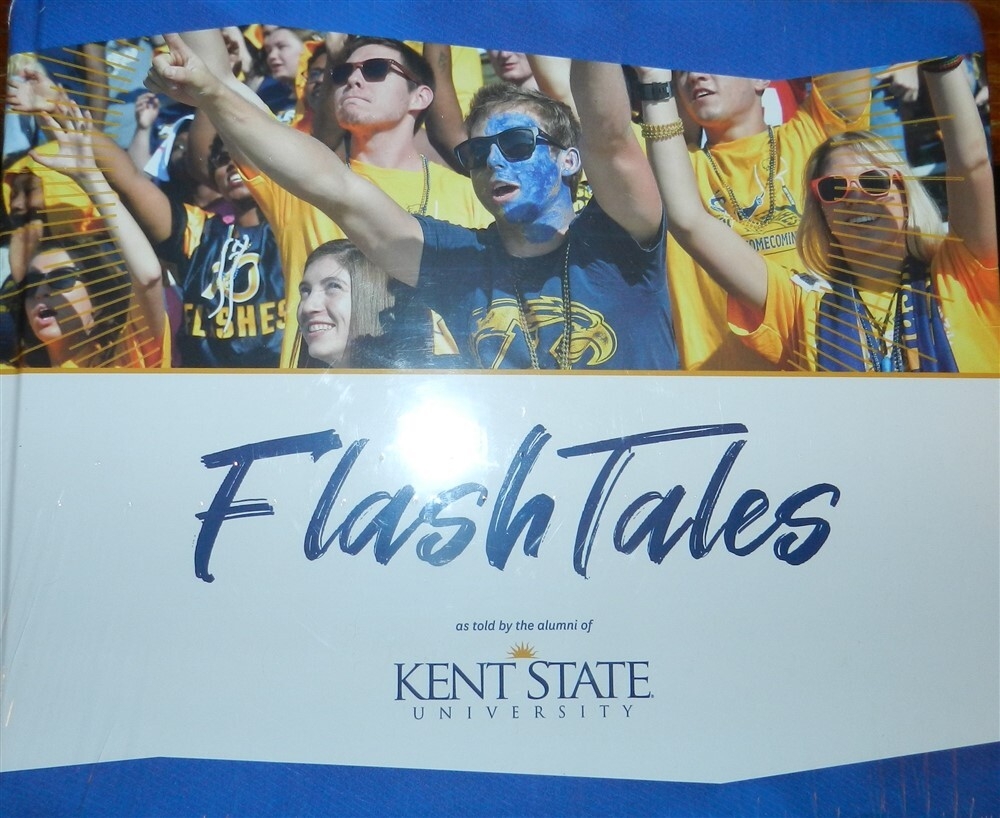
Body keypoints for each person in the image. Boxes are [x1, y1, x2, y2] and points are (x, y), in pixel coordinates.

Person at [147, 39, 675, 369]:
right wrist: (212, 92)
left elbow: (608, 135)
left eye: (516, 145)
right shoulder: (461, 262)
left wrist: (591, 22)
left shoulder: (619, 239)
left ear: (567, 160)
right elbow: (335, 187)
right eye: (477, 153)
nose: (494, 162)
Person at [640, 58, 998, 373]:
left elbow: (973, 163)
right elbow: (689, 220)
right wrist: (654, 79)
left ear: (905, 190)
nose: (855, 196)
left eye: (874, 182)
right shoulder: (802, 308)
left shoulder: (961, 272)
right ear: (820, 212)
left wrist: (943, 59)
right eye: (833, 189)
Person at [183, 30, 492, 367]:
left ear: (419, 96)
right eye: (342, 73)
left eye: (375, 69)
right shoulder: (298, 181)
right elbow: (218, 79)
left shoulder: (473, 195)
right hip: (318, 393)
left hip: (435, 392)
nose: (353, 80)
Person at [645, 64, 870, 370]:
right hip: (726, 391)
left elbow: (845, 48)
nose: (695, 76)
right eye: (682, 70)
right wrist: (652, 79)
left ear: (761, 76)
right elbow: (606, 131)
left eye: (711, 62)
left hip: (831, 372)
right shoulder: (670, 169)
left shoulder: (817, 136)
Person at [11, 100, 167, 368]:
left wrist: (90, 177)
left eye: (61, 279)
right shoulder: (13, 378)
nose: (40, 291)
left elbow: (148, 277)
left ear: (98, 300)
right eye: (32, 283)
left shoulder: (126, 359)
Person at [296, 239, 420, 368]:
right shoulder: (294, 382)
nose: (308, 307)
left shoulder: (423, 378)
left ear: (372, 299)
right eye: (306, 291)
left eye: (333, 286)